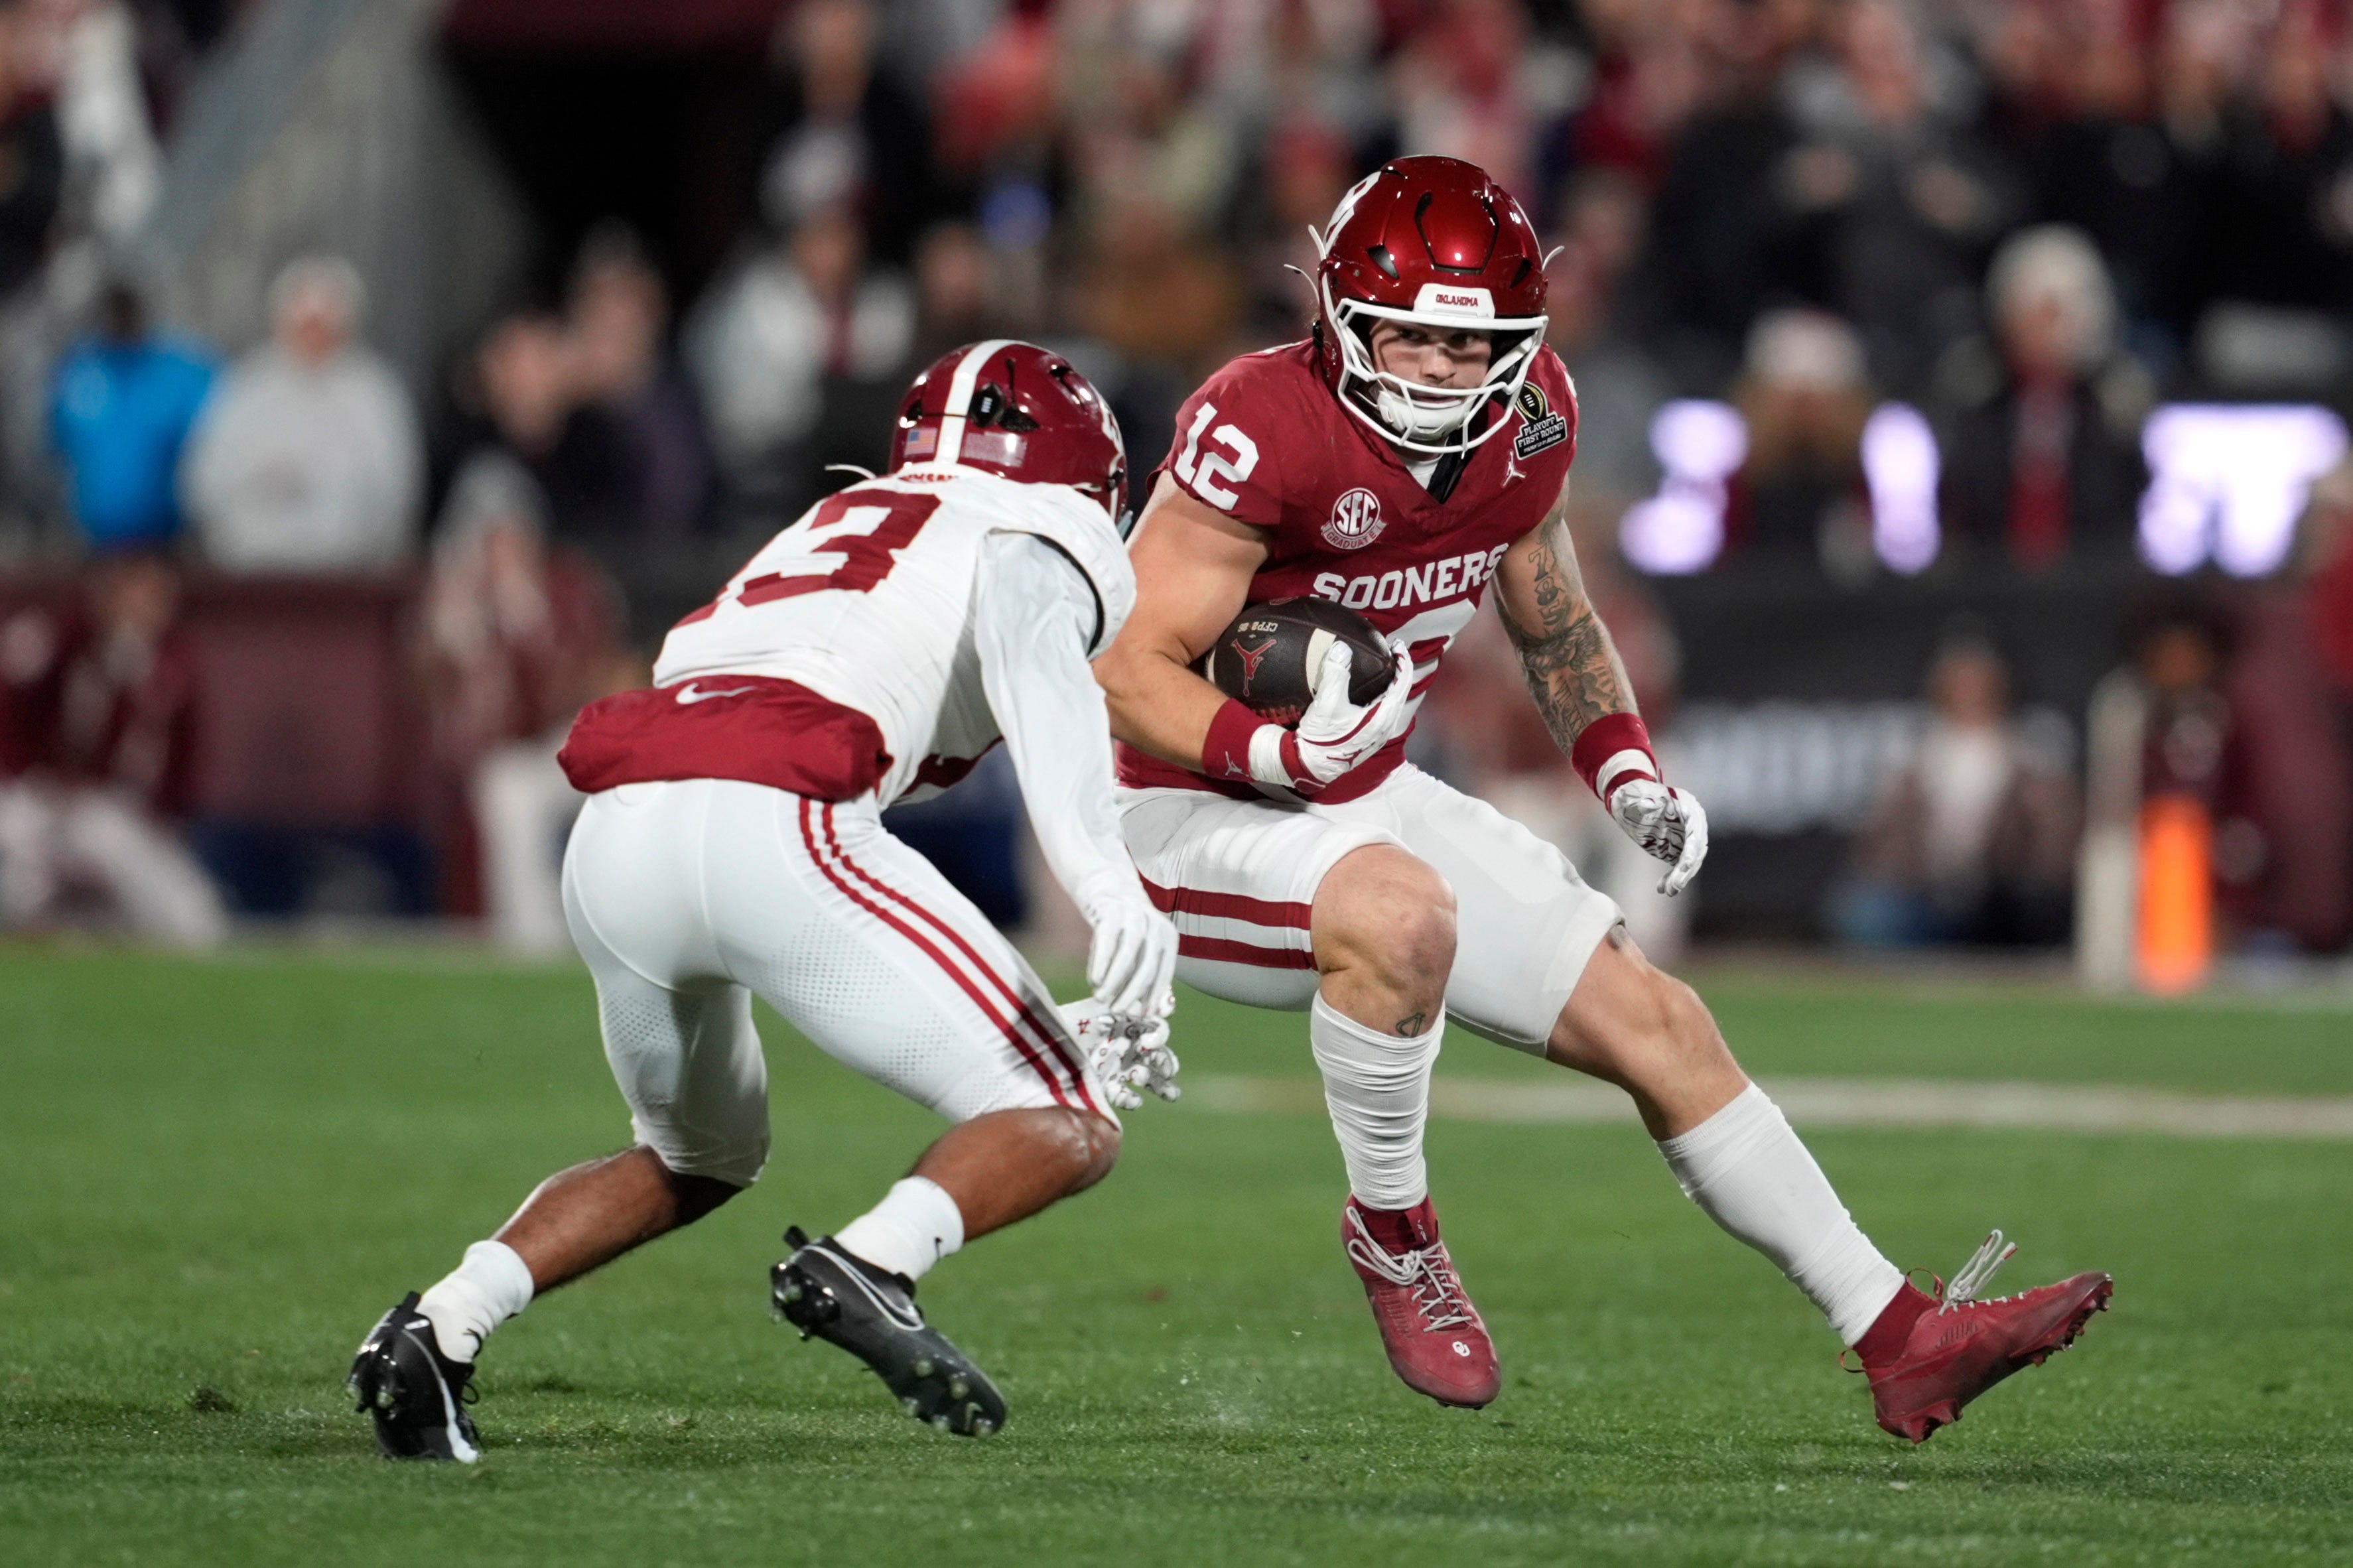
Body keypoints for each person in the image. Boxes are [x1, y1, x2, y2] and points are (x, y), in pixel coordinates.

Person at [1094, 157, 2112, 1443]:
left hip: (1354, 794)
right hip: (1185, 815)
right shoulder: (1262, 419)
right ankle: (1395, 1231)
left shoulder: (1529, 422)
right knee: (1402, 917)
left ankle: (1901, 1337)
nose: (1437, 375)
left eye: (1474, 350)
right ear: (1339, 316)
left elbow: (1547, 605)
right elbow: (1125, 669)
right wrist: (1279, 758)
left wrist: (1623, 765)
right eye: (1408, 335)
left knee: (1660, 1020)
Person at [349, 342, 1179, 1461]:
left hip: (618, 835)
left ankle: (442, 1322)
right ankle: (876, 1259)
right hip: (777, 817)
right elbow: (1036, 659)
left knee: (696, 1151)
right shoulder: (1038, 527)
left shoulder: (824, 529)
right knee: (1072, 1112)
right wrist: (1104, 881)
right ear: (1087, 481)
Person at [0, 549, 225, 946]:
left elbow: (183, 759)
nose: (147, 604)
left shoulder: (174, 663)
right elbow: (15, 712)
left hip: (113, 813)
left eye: (157, 593)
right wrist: (27, 777)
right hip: (37, 797)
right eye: (136, 590)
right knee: (17, 841)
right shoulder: (61, 638)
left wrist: (166, 819)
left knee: (195, 921)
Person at [1836, 631, 2080, 948]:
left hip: (2004, 903)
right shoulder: (1913, 758)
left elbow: (2056, 851)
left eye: (1978, 680)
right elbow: (1876, 846)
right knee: (1866, 910)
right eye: (1958, 680)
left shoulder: (2032, 757)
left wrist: (2005, 870)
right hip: (1924, 896)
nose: (1969, 690)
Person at [180, 255, 423, 573]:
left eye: (323, 326)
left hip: (348, 579)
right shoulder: (246, 388)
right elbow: (205, 479)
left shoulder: (375, 394)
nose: (313, 336)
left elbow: (397, 489)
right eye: (305, 325)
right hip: (252, 576)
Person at [48, 280, 216, 551]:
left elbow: (213, 450)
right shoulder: (78, 373)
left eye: (125, 315)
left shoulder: (181, 373)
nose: (118, 325)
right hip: (93, 541)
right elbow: (55, 447)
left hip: (169, 541)